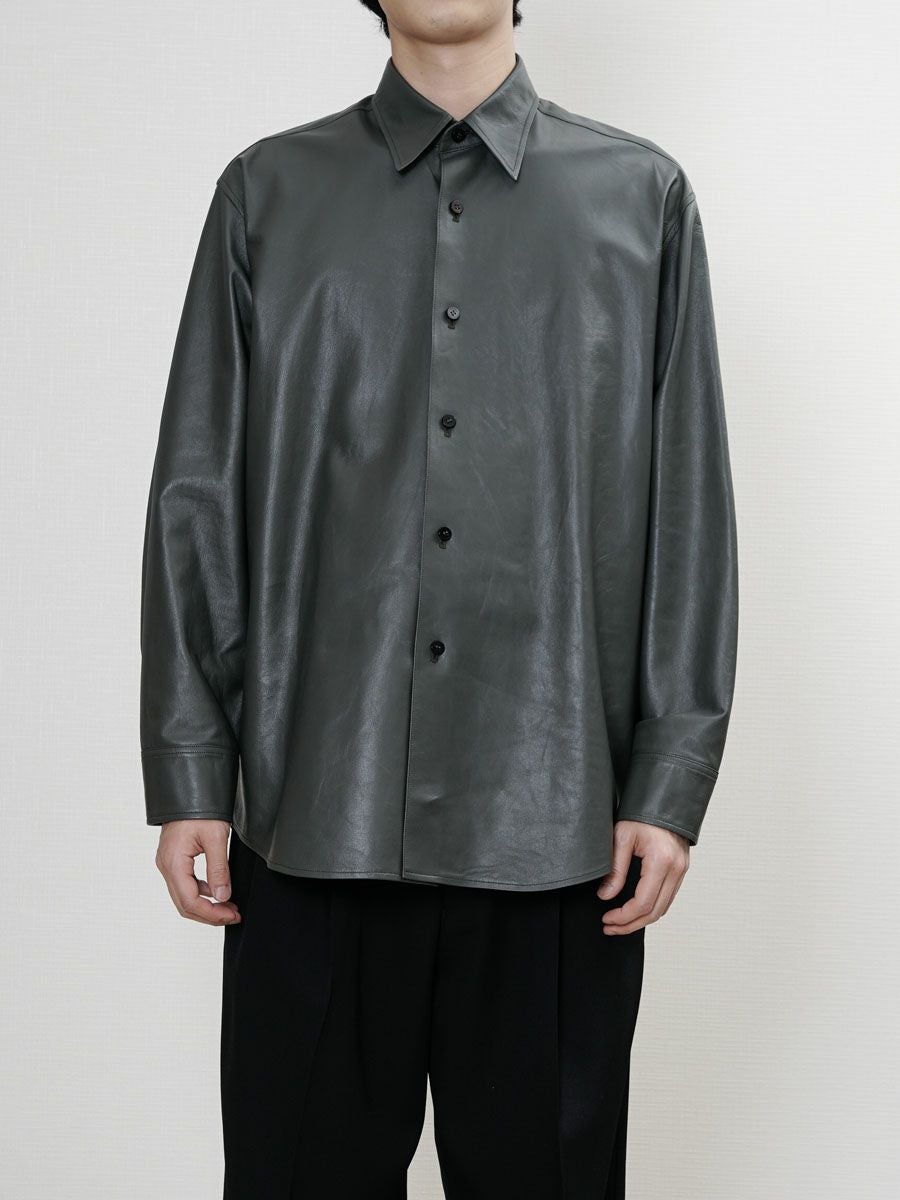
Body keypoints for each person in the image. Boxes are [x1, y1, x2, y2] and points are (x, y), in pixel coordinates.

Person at [139, 1, 738, 1195]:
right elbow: (197, 490)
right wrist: (190, 767)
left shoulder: (642, 200)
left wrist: (671, 779)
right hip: (313, 817)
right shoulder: (267, 194)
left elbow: (690, 507)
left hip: (561, 834)